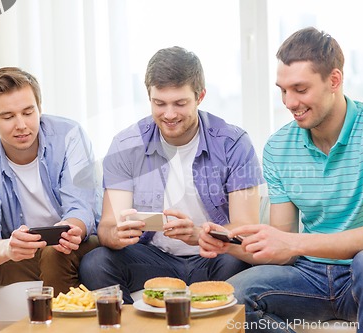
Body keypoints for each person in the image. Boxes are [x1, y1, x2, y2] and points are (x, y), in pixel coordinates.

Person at [199, 27, 363, 333]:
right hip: (312, 274)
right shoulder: (278, 147)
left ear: (334, 80)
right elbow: (281, 246)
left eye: (300, 89)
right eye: (283, 90)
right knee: (231, 299)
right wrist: (229, 245)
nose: (289, 102)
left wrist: (294, 243)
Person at [79, 46, 264, 303]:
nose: (169, 114)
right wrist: (117, 236)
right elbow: (108, 226)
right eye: (159, 103)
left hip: (212, 256)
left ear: (200, 97)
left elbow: (246, 230)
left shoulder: (233, 142)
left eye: (180, 103)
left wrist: (199, 233)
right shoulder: (126, 144)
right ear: (149, 97)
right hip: (152, 256)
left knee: (236, 261)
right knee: (95, 263)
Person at [0, 67, 100, 333]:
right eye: (8, 116)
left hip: (77, 245)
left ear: (39, 107)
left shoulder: (69, 136)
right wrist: (8, 248)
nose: (21, 125)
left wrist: (67, 230)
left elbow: (82, 206)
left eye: (28, 112)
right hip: (25, 253)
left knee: (55, 251)